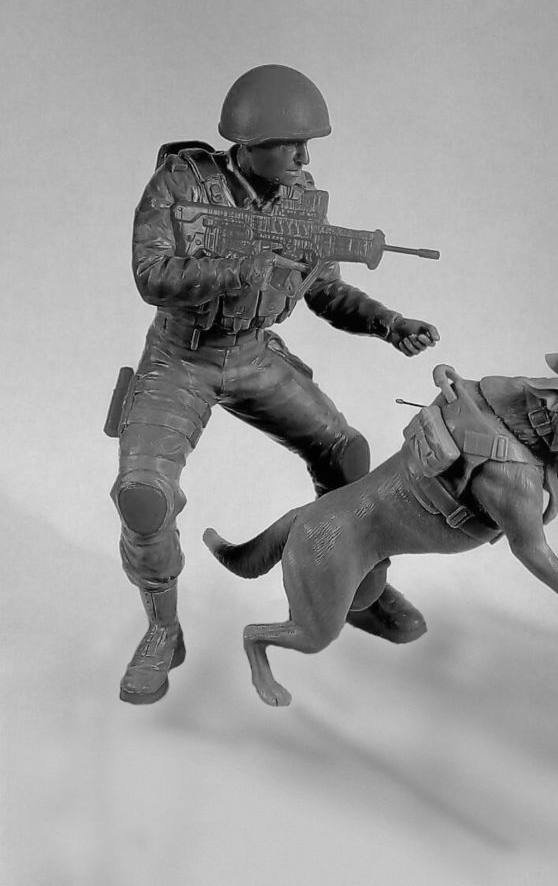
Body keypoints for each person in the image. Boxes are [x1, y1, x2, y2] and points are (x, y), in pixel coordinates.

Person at [111, 64, 440, 704]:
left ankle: (356, 589)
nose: (303, 158)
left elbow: (324, 290)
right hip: (180, 358)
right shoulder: (181, 183)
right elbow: (150, 274)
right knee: (143, 496)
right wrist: (238, 269)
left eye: (307, 145)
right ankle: (162, 630)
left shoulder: (299, 197)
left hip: (254, 354)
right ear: (249, 141)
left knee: (346, 452)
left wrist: (389, 324)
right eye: (291, 144)